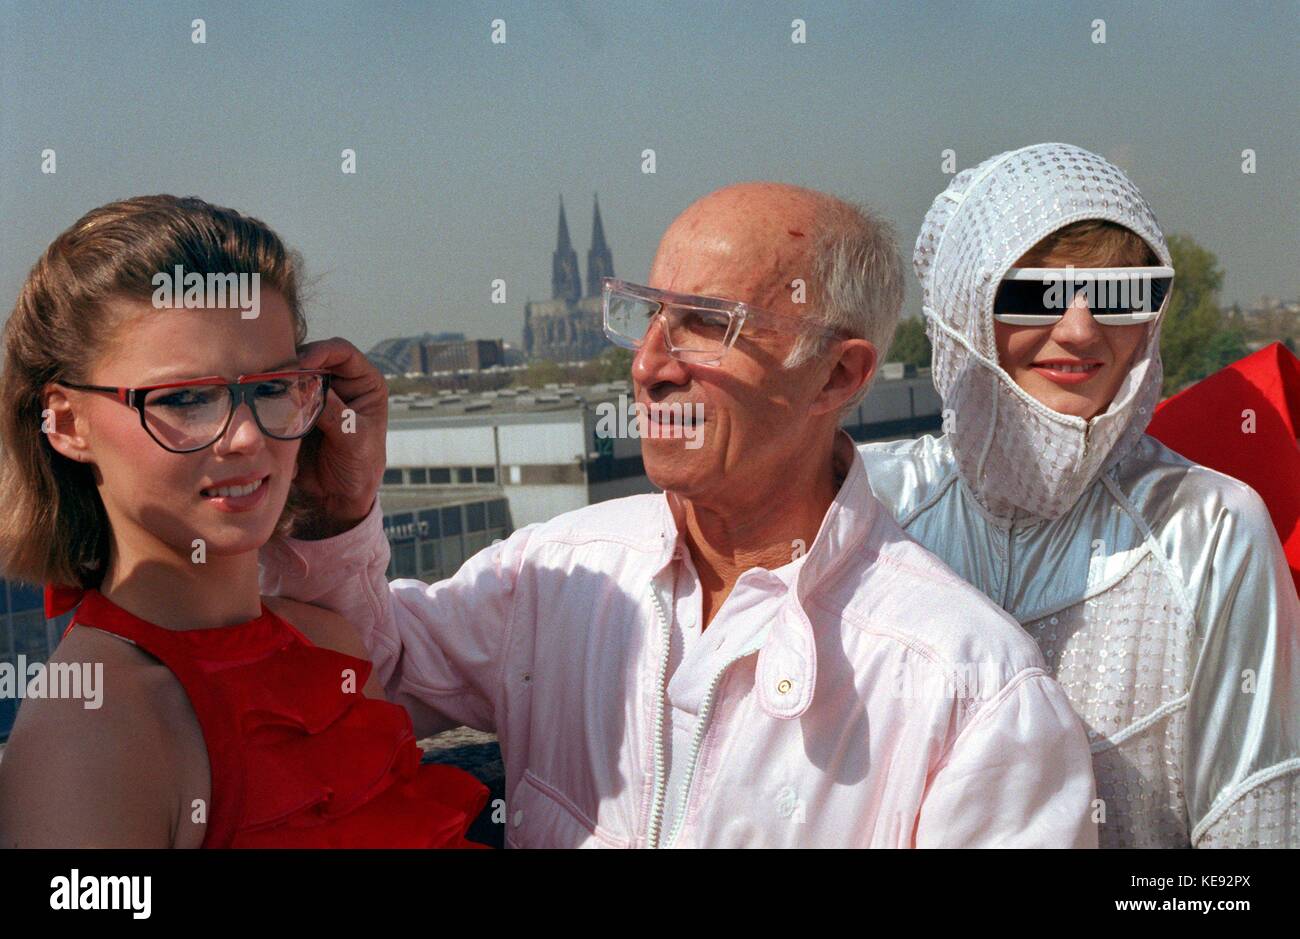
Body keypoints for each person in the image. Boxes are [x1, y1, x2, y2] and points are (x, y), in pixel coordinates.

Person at [261, 182, 1098, 847]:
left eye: (706, 325)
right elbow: (365, 675)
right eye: (647, 316)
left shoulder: (969, 690)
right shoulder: (563, 573)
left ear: (839, 377)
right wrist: (336, 512)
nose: (650, 365)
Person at [0, 195, 488, 848]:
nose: (243, 437)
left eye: (270, 388)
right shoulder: (91, 726)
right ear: (64, 421)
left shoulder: (331, 643)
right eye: (185, 398)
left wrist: (337, 503)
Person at [860, 142, 1300, 847]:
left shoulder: (1209, 530)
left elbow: (1255, 837)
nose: (1080, 329)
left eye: (1123, 296)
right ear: (961, 310)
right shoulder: (864, 501)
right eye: (1034, 293)